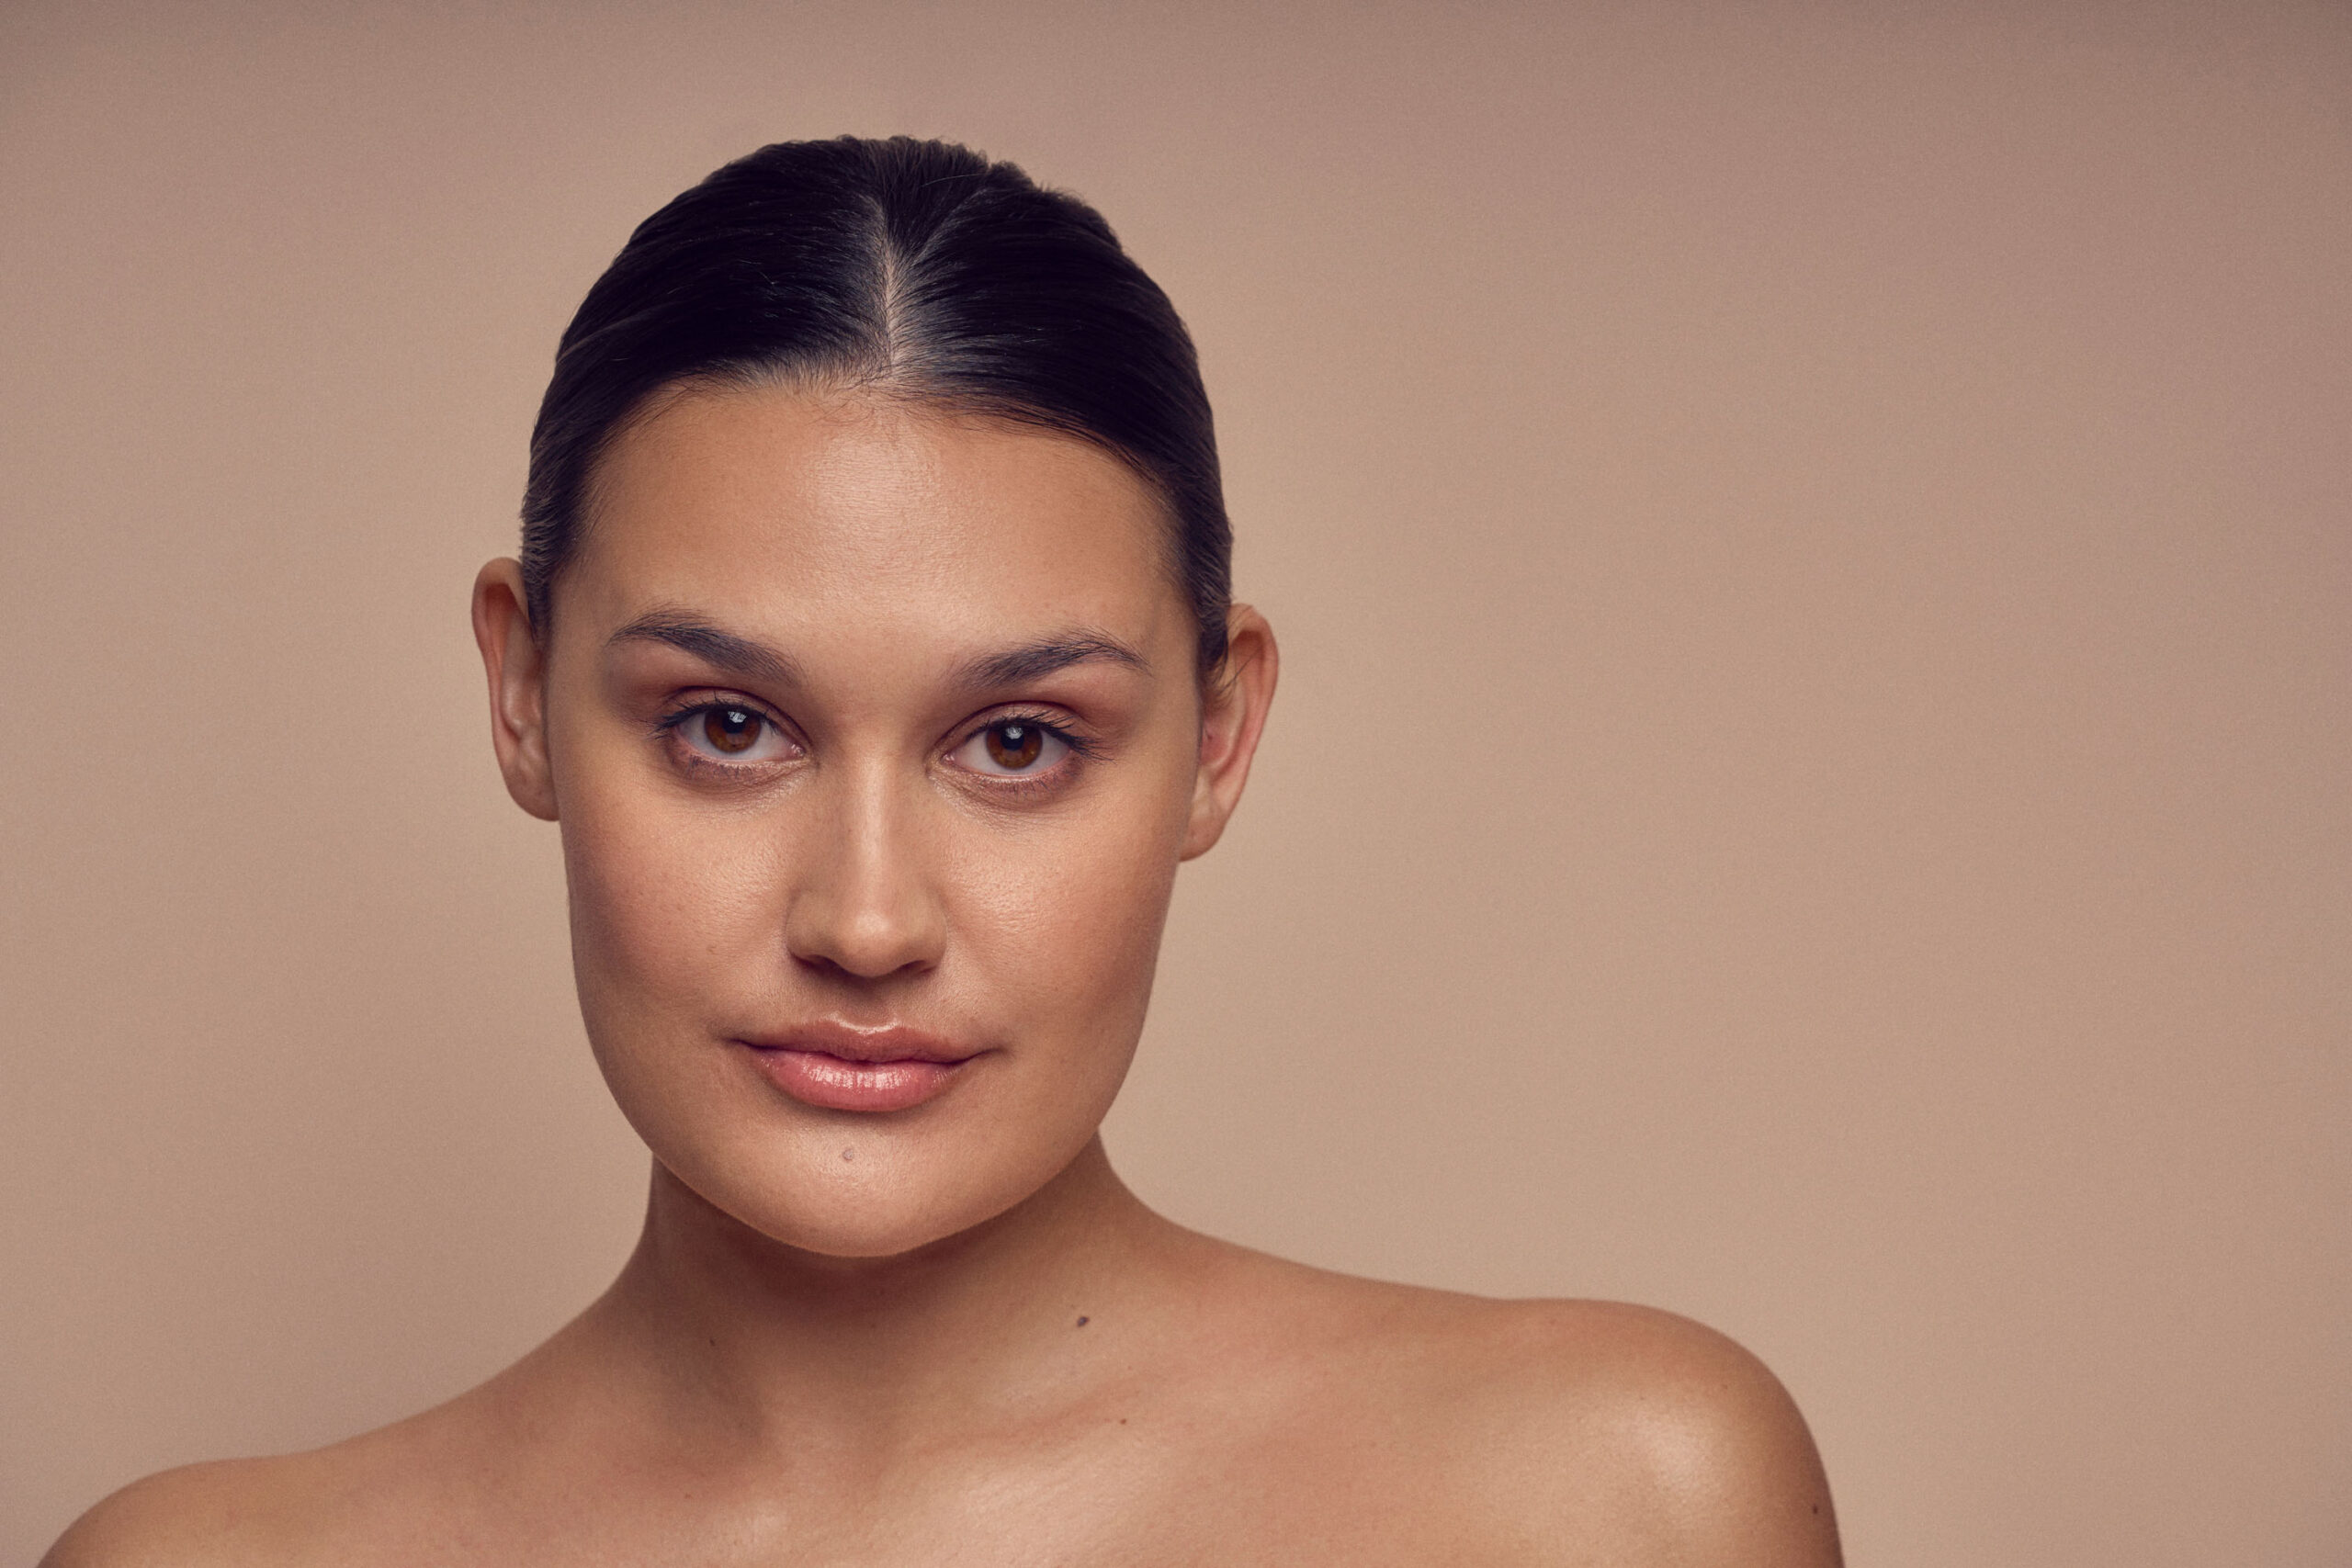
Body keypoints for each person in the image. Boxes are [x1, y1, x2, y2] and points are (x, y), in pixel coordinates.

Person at [45, 135, 1840, 1566]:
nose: (866, 919)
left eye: (1017, 742)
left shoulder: (1614, 1498)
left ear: (1217, 736)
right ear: (521, 691)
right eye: (725, 726)